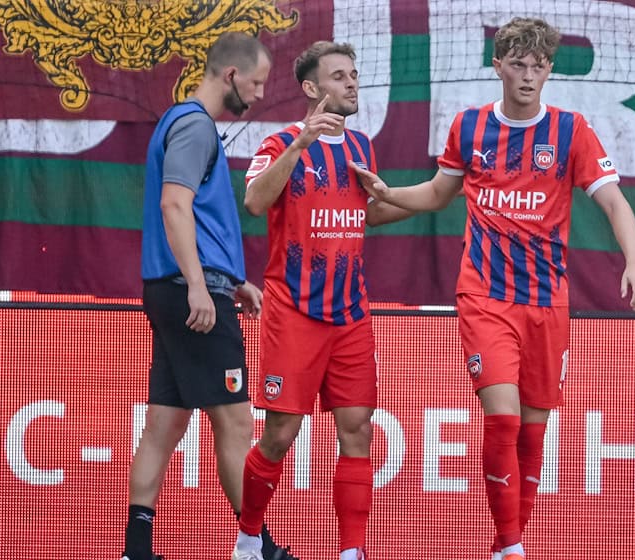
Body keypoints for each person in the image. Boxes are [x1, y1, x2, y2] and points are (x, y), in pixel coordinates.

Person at [351, 17, 635, 560]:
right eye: (518, 64)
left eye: (539, 65)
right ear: (499, 66)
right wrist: (382, 198)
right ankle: (512, 546)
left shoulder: (571, 130)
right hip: (485, 296)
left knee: (533, 434)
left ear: (550, 70)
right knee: (504, 417)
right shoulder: (468, 128)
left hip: (547, 302)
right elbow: (439, 194)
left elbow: (613, 201)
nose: (529, 75)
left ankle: (504, 542)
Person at [231, 41, 411, 560]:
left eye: (354, 74)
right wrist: (300, 144)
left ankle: (351, 552)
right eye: (339, 76)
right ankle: (248, 541)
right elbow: (255, 201)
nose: (353, 83)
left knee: (357, 432)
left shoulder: (362, 149)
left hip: (351, 314)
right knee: (280, 435)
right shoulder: (279, 142)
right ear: (312, 89)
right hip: (293, 311)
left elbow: (367, 214)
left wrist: (429, 197)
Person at [125, 32, 271, 560]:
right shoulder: (194, 125)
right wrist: (198, 285)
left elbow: (196, 222)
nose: (257, 96)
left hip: (184, 286)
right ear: (231, 75)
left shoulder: (183, 123)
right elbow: (174, 207)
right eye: (255, 83)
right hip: (190, 294)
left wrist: (233, 280)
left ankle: (135, 550)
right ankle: (257, 547)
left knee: (163, 425)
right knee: (235, 421)